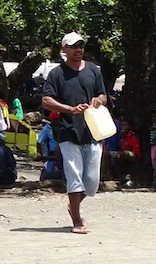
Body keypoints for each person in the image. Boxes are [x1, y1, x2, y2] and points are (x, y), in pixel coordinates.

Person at [41, 31, 107, 235]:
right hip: (68, 131)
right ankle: (77, 220)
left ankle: (74, 204)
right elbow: (46, 100)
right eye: (74, 46)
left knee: (92, 183)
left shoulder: (93, 70)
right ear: (64, 49)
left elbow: (103, 95)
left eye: (81, 46)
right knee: (74, 177)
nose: (78, 50)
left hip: (92, 131)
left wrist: (98, 100)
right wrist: (69, 109)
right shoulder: (56, 74)